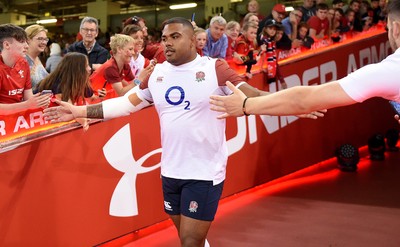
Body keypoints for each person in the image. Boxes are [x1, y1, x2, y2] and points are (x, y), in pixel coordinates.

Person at [44, 17, 317, 247]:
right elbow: (126, 104)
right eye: (164, 38)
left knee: (189, 242)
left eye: (175, 37)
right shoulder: (158, 73)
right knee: (189, 239)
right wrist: (79, 112)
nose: (167, 43)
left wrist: (293, 106)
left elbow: (255, 96)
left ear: (191, 40)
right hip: (171, 172)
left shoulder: (214, 69)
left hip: (204, 173)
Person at [208, 0, 400, 125]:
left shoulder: (389, 70)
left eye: (388, 27)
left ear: (396, 28)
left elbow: (303, 100)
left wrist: (245, 105)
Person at [0, 24, 50, 114]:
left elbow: (28, 97)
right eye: (22, 41)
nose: (27, 46)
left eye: (26, 42)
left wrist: (40, 102)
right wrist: (26, 105)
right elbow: (27, 103)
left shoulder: (23, 63)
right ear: (7, 45)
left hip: (18, 118)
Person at [89, 34, 154, 100]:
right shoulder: (110, 67)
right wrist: (139, 79)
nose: (133, 53)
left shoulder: (125, 65)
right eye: (130, 49)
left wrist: (145, 77)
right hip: (92, 99)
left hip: (103, 99)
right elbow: (121, 93)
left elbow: (131, 85)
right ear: (119, 49)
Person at [25, 24, 49, 91]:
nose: (44, 42)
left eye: (45, 39)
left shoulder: (37, 58)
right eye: (40, 39)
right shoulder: (22, 60)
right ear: (28, 40)